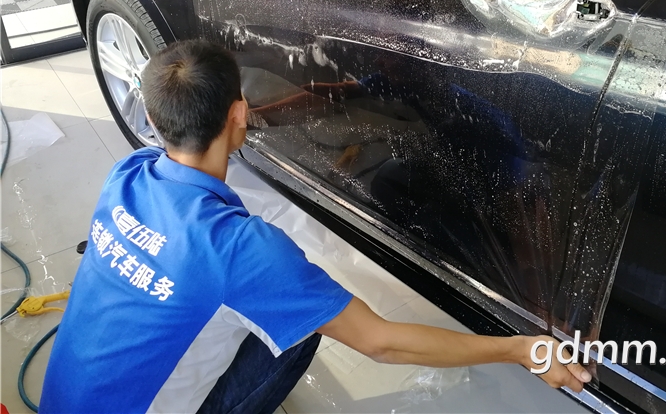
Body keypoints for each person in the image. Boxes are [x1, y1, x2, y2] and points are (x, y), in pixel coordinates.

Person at [40, 39, 590, 413]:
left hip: (62, 401)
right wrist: (520, 350)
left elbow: (347, 93)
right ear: (238, 113)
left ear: (155, 119)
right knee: (301, 328)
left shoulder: (128, 173)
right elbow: (382, 344)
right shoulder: (241, 249)